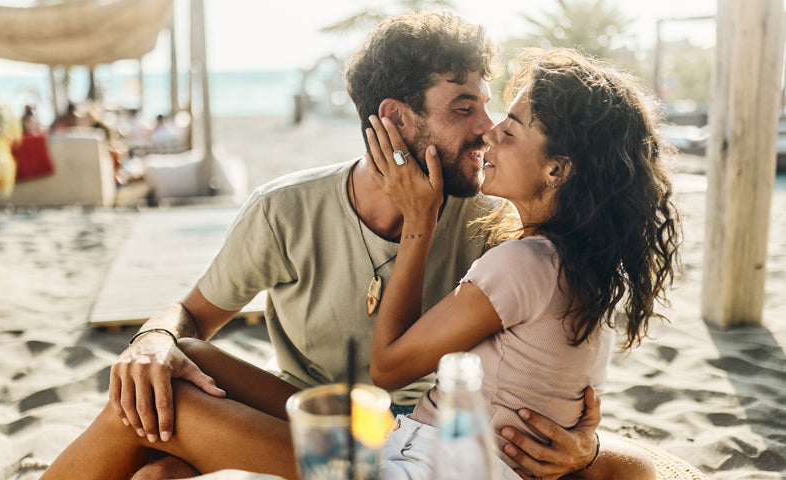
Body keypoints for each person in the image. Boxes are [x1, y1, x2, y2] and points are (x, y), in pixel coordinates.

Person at [40, 12, 652, 480]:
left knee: (159, 433)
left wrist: (588, 446)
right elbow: (191, 316)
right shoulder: (286, 210)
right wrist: (151, 339)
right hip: (339, 421)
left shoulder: (494, 220)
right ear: (395, 118)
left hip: (409, 447)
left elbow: (542, 375)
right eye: (466, 107)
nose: (487, 129)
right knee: (178, 367)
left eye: (491, 110)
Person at [363, 46, 681, 479]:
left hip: (428, 466)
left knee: (234, 423)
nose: (488, 133)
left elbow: (386, 368)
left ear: (557, 171)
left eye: (510, 131)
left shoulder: (524, 264)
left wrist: (419, 220)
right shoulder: (580, 266)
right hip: (472, 462)